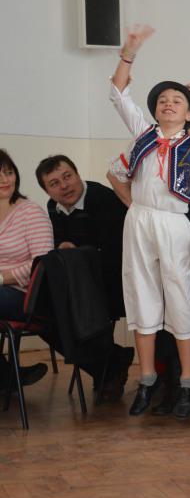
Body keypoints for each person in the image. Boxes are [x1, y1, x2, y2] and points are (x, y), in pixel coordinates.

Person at [108, 24, 190, 419]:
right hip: (139, 221)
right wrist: (129, 52)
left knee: (179, 298)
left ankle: (186, 382)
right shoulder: (142, 134)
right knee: (141, 296)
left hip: (174, 224)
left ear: (189, 113)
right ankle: (147, 378)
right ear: (154, 110)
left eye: (177, 100)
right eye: (163, 100)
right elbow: (118, 94)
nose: (169, 104)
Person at [36, 155, 133, 400]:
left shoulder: (103, 199)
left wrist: (78, 252)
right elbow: (59, 243)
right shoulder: (53, 207)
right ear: (47, 191)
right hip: (79, 285)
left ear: (78, 174)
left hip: (114, 281)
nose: (64, 186)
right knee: (42, 316)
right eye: (54, 183)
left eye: (67, 177)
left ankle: (107, 369)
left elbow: (116, 250)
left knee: (78, 315)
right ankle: (111, 363)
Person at [0, 150, 52, 388]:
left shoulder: (30, 212)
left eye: (9, 172)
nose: (5, 180)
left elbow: (41, 262)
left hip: (25, 295)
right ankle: (7, 375)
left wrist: (2, 278)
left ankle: (7, 376)